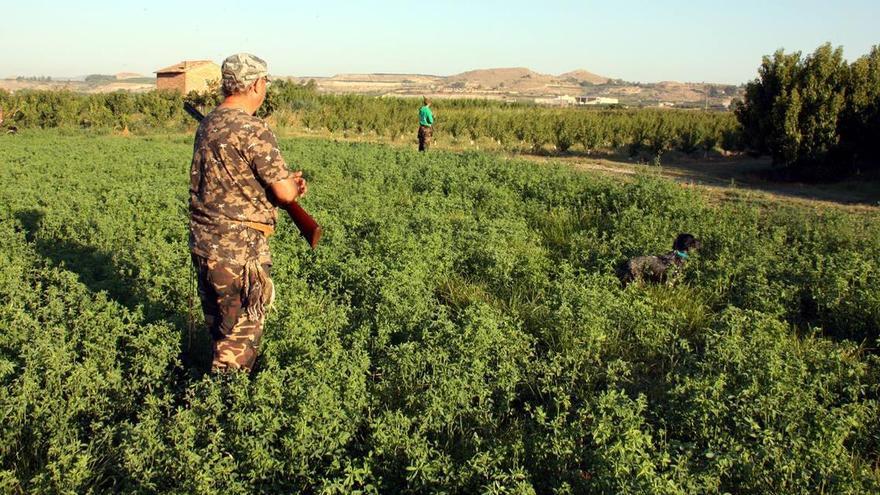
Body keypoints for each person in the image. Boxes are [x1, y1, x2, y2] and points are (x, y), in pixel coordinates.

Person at [189, 53, 308, 373]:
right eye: (265, 81)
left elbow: (233, 177)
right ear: (256, 83)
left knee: (221, 330)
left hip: (205, 244)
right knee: (239, 339)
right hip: (240, 250)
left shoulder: (211, 122)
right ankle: (225, 410)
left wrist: (283, 183)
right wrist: (292, 186)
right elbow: (284, 193)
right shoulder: (253, 129)